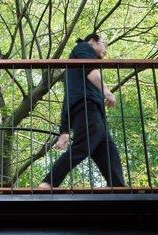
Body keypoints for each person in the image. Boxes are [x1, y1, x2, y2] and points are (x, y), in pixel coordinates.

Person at [39, 33, 125, 189]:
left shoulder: (72, 73)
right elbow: (90, 69)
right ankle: (49, 182)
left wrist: (64, 130)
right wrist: (106, 91)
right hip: (87, 107)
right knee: (83, 145)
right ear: (93, 41)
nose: (105, 50)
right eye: (104, 44)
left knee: (107, 148)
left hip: (91, 110)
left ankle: (117, 186)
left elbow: (67, 99)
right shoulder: (83, 47)